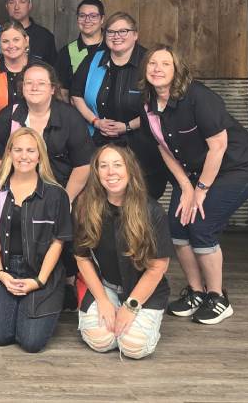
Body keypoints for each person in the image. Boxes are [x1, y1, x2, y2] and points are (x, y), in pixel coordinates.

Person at [140, 46, 248, 324]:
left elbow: (218, 147)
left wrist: (201, 191)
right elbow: (163, 147)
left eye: (165, 64)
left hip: (235, 167)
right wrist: (184, 186)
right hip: (193, 173)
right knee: (176, 224)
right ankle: (196, 292)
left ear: (177, 70)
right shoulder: (147, 102)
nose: (157, 68)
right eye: (152, 63)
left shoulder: (199, 97)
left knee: (201, 225)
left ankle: (218, 297)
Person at [74, 144, 173, 359]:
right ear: (97, 172)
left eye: (117, 165)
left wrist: (131, 307)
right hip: (106, 286)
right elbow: (81, 258)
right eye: (104, 166)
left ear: (130, 169)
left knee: (132, 347)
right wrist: (102, 300)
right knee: (101, 341)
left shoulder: (152, 211)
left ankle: (143, 326)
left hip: (142, 291)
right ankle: (112, 320)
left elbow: (158, 267)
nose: (111, 172)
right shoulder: (85, 208)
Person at [0, 127, 72, 352]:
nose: (24, 156)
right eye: (18, 150)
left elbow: (58, 242)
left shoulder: (55, 194)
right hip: (6, 268)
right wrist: (0, 273)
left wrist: (38, 281)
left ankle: (43, 307)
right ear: (9, 153)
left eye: (31, 150)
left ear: (40, 155)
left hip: (41, 271)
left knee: (31, 342)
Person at [71, 12, 168, 199]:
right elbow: (76, 94)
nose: (117, 36)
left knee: (140, 201)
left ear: (135, 34)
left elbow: (161, 104)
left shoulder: (149, 62)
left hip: (142, 147)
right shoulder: (94, 59)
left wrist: (127, 126)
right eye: (111, 32)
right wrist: (95, 121)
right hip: (99, 143)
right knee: (101, 200)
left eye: (123, 31)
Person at [0, 62, 92, 202]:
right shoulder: (7, 116)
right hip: (19, 193)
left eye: (41, 83)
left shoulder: (70, 117)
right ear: (23, 87)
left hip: (61, 190)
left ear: (52, 89)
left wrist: (65, 200)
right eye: (29, 83)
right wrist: (11, 190)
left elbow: (83, 164)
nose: (34, 88)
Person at [0, 0, 56, 65]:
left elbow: (52, 72)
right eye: (12, 2)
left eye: (22, 1)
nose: (17, 7)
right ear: (7, 6)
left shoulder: (45, 36)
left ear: (29, 5)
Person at [0, 20, 32, 120]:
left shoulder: (40, 69)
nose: (11, 46)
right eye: (5, 41)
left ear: (26, 40)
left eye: (16, 40)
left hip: (34, 132)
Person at [55, 0, 105, 96]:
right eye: (82, 16)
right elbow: (63, 91)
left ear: (102, 19)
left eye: (93, 16)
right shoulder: (66, 52)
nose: (87, 20)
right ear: (77, 19)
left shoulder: (113, 47)